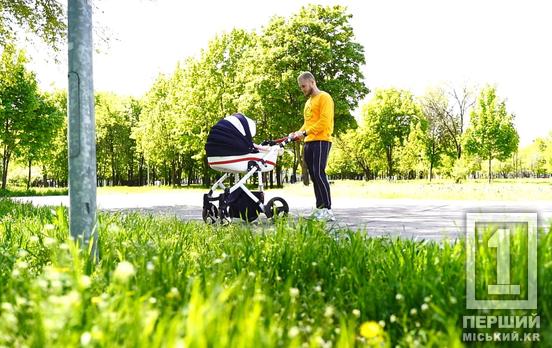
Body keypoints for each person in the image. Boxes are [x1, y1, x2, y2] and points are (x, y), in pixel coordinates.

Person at [290, 72, 335, 221]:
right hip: (309, 141)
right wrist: (297, 133)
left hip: (322, 140)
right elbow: (307, 123)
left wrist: (305, 132)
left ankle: (328, 210)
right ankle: (320, 208)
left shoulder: (324, 97)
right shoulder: (308, 102)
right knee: (314, 176)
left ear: (312, 82)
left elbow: (324, 122)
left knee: (319, 172)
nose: (302, 89)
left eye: (303, 86)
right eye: (300, 87)